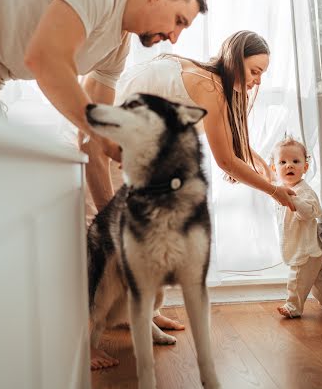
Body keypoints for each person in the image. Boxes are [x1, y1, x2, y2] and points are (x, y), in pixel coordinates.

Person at [82, 30, 297, 366]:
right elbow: (226, 160)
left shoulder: (202, 75)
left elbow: (233, 143)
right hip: (109, 152)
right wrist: (274, 191)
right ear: (234, 59)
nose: (256, 82)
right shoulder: (211, 88)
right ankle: (87, 341)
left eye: (262, 75)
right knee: (109, 252)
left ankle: (141, 316)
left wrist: (264, 165)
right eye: (254, 71)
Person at [0, 0, 206, 150]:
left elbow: (93, 144)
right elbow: (46, 61)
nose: (174, 37)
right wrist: (103, 134)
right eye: (179, 21)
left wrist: (109, 213)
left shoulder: (117, 49)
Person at [270, 137, 322, 318]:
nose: (289, 166)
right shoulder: (280, 189)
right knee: (316, 279)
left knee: (297, 279)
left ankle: (293, 307)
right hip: (309, 249)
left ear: (305, 168)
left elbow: (310, 212)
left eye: (295, 161)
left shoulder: (304, 191)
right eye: (282, 162)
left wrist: (294, 199)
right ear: (275, 169)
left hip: (306, 249)